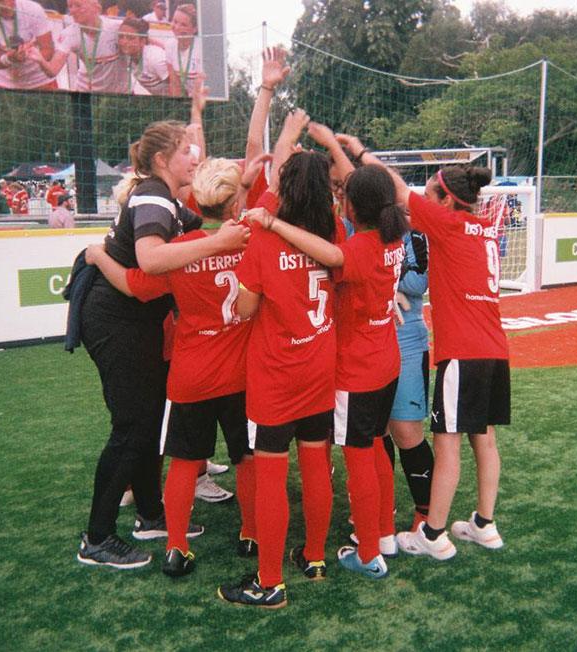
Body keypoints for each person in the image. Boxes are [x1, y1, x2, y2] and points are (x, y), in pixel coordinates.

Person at [74, 120, 250, 570]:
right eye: (186, 150)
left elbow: (207, 217)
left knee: (149, 419)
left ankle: (152, 514)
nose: (195, 158)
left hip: (132, 315)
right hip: (115, 317)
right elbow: (150, 263)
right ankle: (96, 537)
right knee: (132, 426)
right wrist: (221, 243)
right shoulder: (153, 193)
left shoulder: (166, 196)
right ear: (160, 160)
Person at [343, 139, 510, 560]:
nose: (423, 200)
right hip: (495, 348)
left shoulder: (447, 224)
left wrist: (360, 152)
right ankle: (484, 525)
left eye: (431, 194)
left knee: (447, 442)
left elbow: (395, 187)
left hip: (463, 351)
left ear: (445, 201)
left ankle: (432, 534)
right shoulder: (485, 227)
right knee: (484, 440)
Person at [247, 153, 410, 581]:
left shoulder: (349, 244)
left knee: (352, 459)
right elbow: (334, 256)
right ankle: (368, 538)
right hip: (373, 361)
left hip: (344, 369)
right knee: (365, 449)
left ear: (353, 206)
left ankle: (368, 549)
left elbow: (335, 260)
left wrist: (274, 222)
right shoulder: (376, 236)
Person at [217, 111, 338, 609]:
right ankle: (313, 557)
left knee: (271, 472)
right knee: (315, 463)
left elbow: (245, 307)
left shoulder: (266, 237)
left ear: (286, 189)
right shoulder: (335, 234)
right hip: (319, 369)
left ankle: (269, 581)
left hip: (276, 375)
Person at [389, 229, 435, 533]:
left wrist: (382, 276)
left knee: (406, 430)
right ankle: (381, 509)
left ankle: (426, 509)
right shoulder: (345, 225)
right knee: (374, 430)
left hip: (406, 340)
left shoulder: (412, 234)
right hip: (362, 340)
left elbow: (420, 282)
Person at [30, 0, 122, 93]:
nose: (72, 11)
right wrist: (40, 59)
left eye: (78, 5)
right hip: (86, 93)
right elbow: (53, 71)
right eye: (70, 6)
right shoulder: (69, 34)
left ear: (96, 8)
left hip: (121, 95)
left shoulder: (117, 27)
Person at [0, 0, 59, 90]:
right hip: (1, 82)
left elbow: (48, 50)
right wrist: (10, 59)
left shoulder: (33, 9)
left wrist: (28, 55)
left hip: (39, 80)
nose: (7, 6)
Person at [114, 17, 170, 95]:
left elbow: (178, 86)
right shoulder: (125, 54)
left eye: (130, 38)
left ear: (142, 41)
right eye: (121, 36)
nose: (124, 42)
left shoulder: (155, 58)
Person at [165, 3, 203, 98]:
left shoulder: (201, 49)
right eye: (175, 21)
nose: (177, 27)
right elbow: (174, 84)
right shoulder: (169, 45)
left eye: (183, 25)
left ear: (194, 29)